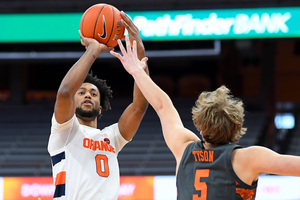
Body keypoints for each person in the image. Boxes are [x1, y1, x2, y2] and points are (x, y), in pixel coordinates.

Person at [111, 37, 300, 200]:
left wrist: (136, 71)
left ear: (200, 128)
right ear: (237, 127)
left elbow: (162, 105)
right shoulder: (248, 158)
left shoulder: (183, 148)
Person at [47, 11, 149, 200]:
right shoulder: (64, 131)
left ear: (100, 108)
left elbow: (139, 106)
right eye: (82, 92)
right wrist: (93, 49)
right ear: (72, 102)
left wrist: (139, 49)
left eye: (94, 94)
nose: (88, 95)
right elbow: (64, 93)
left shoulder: (112, 137)